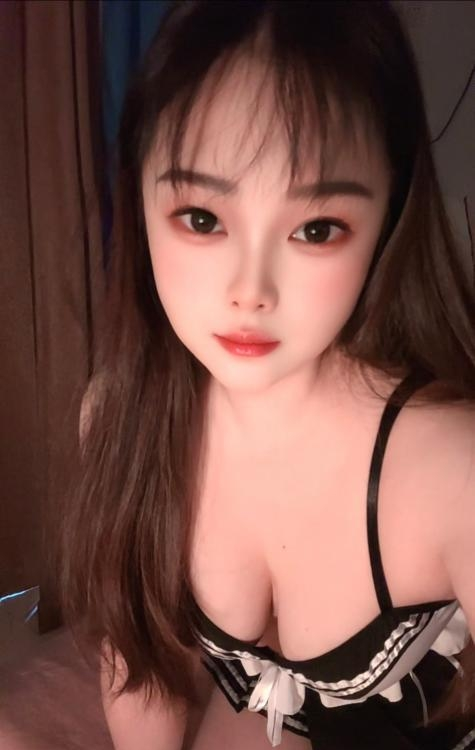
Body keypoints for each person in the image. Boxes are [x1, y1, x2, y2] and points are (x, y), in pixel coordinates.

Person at [58, 2, 475, 749]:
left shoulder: (451, 471)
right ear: (139, 196)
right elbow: (140, 663)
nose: (250, 291)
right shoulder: (120, 419)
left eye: (316, 229)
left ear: (387, 218)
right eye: (202, 218)